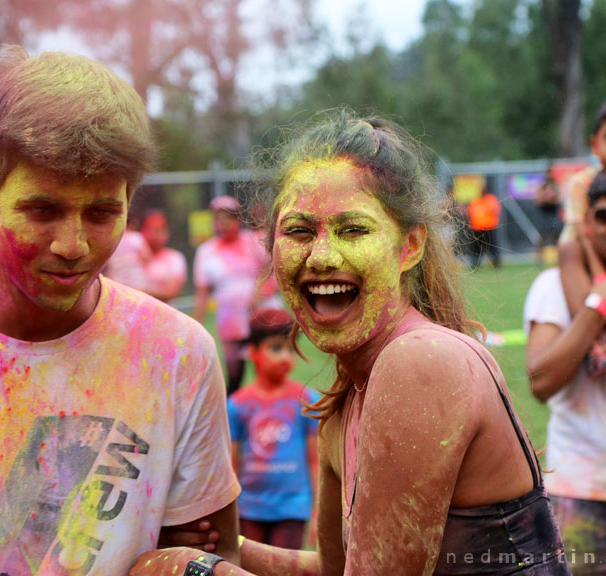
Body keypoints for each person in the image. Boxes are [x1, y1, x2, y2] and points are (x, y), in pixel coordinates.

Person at [132, 112, 568, 575]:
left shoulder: (421, 362)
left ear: (411, 247)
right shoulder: (344, 399)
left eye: (353, 230)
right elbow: (339, 568)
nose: (321, 257)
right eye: (299, 231)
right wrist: (224, 545)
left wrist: (196, 571)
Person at [0, 46, 240, 576]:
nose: (73, 244)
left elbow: (209, 553)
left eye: (101, 213)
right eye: (42, 210)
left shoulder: (178, 354)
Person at [525, 167, 606, 575]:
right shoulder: (553, 286)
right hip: (583, 496)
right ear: (587, 222)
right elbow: (541, 382)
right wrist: (598, 308)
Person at [557, 94, 606, 377]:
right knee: (568, 251)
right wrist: (601, 279)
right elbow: (582, 233)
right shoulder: (582, 183)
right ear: (595, 144)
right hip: (587, 249)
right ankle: (595, 344)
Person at [227, 308, 319, 550]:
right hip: (250, 507)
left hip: (293, 506)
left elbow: (316, 461)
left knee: (286, 567)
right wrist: (229, 511)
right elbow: (231, 464)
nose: (286, 357)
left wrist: (319, 511)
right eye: (276, 348)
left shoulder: (307, 400)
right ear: (253, 352)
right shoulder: (237, 405)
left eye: (291, 349)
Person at [193, 195, 269, 396]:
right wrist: (196, 326)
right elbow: (202, 293)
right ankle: (233, 415)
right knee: (234, 375)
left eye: (228, 218)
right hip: (230, 320)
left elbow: (269, 270)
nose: (223, 224)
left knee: (266, 370)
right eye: (218, 219)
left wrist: (259, 292)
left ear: (238, 219)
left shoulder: (253, 242)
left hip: (257, 317)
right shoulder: (207, 251)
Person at [141, 210, 187, 302]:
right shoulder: (132, 257)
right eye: (153, 228)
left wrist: (136, 290)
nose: (158, 232)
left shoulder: (175, 258)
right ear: (142, 230)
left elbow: (171, 292)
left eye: (162, 228)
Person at [102, 212, 153, 291]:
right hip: (136, 280)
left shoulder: (113, 238)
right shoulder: (136, 238)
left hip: (115, 279)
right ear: (133, 223)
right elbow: (147, 257)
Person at [467, 185, 501, 268]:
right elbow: (470, 213)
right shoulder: (475, 201)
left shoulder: (490, 199)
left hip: (489, 228)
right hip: (477, 229)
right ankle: (475, 264)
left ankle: (496, 263)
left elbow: (495, 210)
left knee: (492, 247)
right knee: (477, 249)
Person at [534, 168, 563, 264]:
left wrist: (552, 198)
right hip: (544, 214)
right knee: (542, 237)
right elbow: (537, 201)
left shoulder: (555, 186)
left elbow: (558, 199)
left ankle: (559, 258)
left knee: (557, 236)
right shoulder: (542, 187)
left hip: (553, 214)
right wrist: (544, 198)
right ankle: (538, 259)